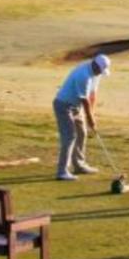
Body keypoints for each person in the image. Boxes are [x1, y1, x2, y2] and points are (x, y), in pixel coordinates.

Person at [53, 53, 110, 181]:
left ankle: (79, 165)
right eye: (100, 70)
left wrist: (92, 116)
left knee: (82, 133)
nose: (101, 73)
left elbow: (92, 95)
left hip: (76, 106)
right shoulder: (83, 75)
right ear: (95, 65)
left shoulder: (96, 74)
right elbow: (84, 100)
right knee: (69, 136)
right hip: (63, 105)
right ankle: (62, 171)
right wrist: (90, 119)